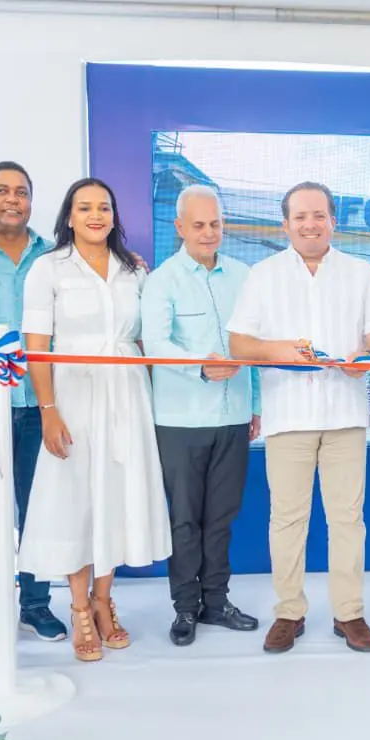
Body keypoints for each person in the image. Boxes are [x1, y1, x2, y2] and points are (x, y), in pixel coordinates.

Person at [228, 181, 370, 654]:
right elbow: (239, 344)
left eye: (319, 215)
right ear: (285, 224)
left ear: (333, 221)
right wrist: (280, 350)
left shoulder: (360, 272)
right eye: (300, 216)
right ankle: (289, 612)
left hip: (345, 412)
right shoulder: (263, 275)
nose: (310, 224)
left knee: (347, 519)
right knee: (287, 518)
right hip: (288, 414)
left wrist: (367, 355)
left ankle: (349, 613)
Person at [18, 178, 172, 662]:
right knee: (76, 500)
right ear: (69, 216)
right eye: (84, 207)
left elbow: (146, 338)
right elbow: (36, 347)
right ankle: (80, 607)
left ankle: (105, 600)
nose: (95, 215)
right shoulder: (48, 268)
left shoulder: (134, 270)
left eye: (104, 207)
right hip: (73, 397)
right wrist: (48, 410)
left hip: (127, 394)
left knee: (115, 496)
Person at [140, 184, 261, 646]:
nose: (209, 233)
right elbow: (156, 344)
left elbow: (252, 345)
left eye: (215, 224)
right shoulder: (162, 280)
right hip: (181, 419)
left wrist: (255, 405)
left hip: (233, 416)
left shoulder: (244, 277)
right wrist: (200, 368)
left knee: (222, 518)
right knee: (185, 520)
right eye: (198, 225)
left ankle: (217, 602)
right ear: (179, 227)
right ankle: (185, 608)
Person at [0, 161, 66, 649]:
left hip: (42, 403)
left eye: (21, 192)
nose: (12, 199)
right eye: (1, 190)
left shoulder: (55, 256)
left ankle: (36, 605)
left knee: (39, 508)